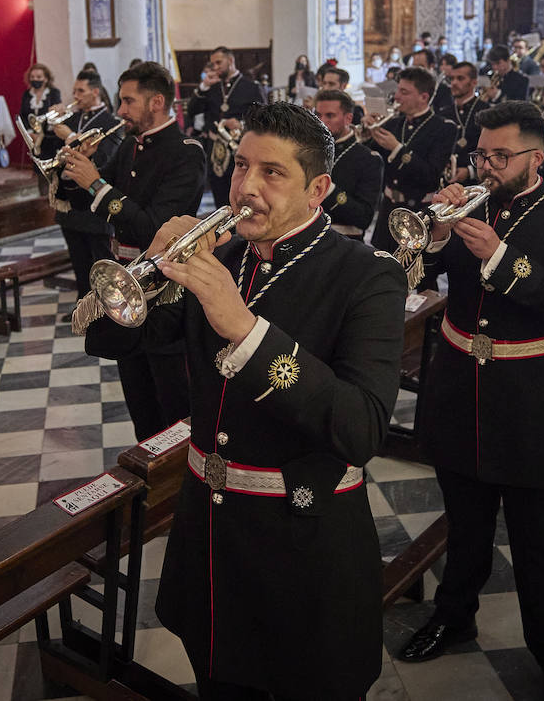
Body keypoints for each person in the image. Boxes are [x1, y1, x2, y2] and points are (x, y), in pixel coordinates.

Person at [84, 101, 407, 700]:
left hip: (303, 550)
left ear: (318, 189)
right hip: (210, 542)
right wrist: (147, 266)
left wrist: (247, 331)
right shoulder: (224, 256)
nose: (246, 188)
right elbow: (110, 340)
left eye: (271, 173)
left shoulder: (367, 276)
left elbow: (362, 430)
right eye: (239, 168)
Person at [402, 102, 544, 701]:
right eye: (481, 154)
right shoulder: (470, 203)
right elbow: (422, 276)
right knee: (464, 522)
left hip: (535, 400)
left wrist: (496, 255)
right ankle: (453, 615)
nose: (486, 166)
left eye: (500, 156)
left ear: (536, 158)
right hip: (461, 386)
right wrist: (436, 238)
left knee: (536, 537)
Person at [62, 62, 206, 440]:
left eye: (128, 101)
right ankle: (146, 478)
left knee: (172, 402)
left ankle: (175, 486)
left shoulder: (185, 153)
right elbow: (87, 198)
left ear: (157, 101)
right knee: (137, 395)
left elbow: (153, 228)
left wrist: (96, 183)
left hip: (163, 293)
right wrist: (74, 168)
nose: (120, 110)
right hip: (122, 287)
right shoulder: (130, 145)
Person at [50, 70, 124, 294]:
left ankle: (105, 313)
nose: (75, 95)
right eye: (74, 91)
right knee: (79, 263)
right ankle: (83, 308)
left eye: (80, 91)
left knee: (101, 265)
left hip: (95, 208)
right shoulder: (71, 119)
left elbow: (106, 162)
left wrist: (72, 137)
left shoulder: (110, 122)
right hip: (70, 205)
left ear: (95, 92)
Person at [367, 67, 456, 251]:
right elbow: (368, 156)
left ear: (424, 97)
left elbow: (431, 174)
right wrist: (368, 131)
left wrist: (397, 149)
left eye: (404, 92)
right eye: (398, 90)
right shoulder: (393, 123)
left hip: (418, 212)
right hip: (388, 211)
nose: (397, 97)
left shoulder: (443, 128)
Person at [187, 46, 264, 208]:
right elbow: (193, 110)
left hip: (240, 149)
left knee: (239, 193)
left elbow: (263, 117)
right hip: (215, 150)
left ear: (230, 61)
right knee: (219, 196)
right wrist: (203, 87)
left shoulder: (251, 87)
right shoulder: (212, 87)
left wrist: (241, 124)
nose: (215, 67)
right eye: (213, 63)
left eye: (218, 62)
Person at [313, 88, 383, 241]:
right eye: (318, 115)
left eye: (330, 116)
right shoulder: (308, 151)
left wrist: (328, 189)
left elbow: (364, 218)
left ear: (348, 119)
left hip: (345, 242)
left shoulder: (368, 159)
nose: (321, 122)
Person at [441, 61, 491, 184]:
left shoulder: (487, 111)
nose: (454, 83)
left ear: (474, 82)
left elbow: (492, 150)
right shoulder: (443, 113)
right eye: (451, 79)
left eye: (460, 78)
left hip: (474, 183)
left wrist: (470, 171)